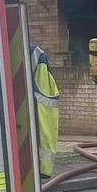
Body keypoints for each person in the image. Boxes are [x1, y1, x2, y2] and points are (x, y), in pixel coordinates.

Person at [31, 45, 61, 178]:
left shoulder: (35, 54)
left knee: (44, 136)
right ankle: (44, 169)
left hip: (42, 109)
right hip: (45, 111)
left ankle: (44, 169)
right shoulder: (37, 54)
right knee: (46, 135)